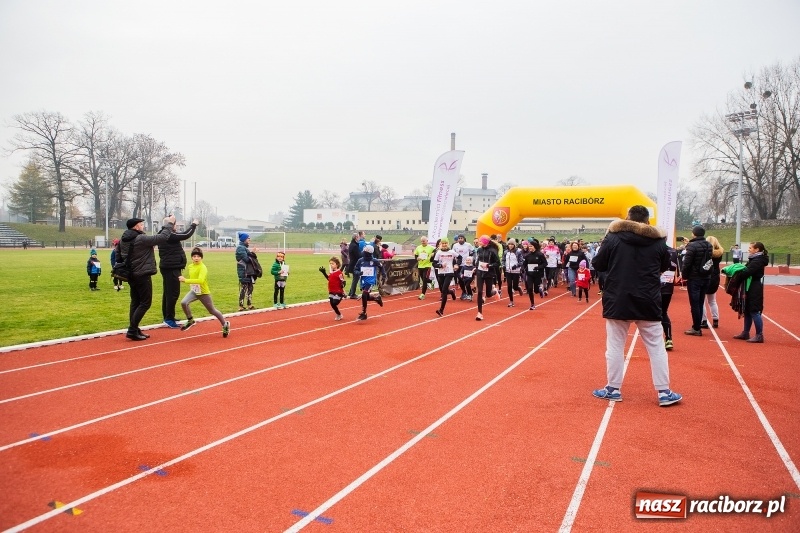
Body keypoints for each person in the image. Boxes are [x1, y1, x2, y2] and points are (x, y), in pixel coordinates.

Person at [591, 205, 682, 407]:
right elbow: (666, 265)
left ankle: (613, 388)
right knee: (656, 347)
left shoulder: (613, 238)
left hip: (618, 297)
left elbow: (598, 263)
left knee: (614, 346)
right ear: (647, 220)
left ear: (628, 218)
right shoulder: (659, 241)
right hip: (647, 298)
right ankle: (664, 392)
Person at [119, 216, 172, 341]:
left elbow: (118, 254)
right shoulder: (140, 238)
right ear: (136, 226)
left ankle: (134, 328)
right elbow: (162, 238)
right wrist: (169, 224)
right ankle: (132, 330)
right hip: (142, 274)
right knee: (145, 302)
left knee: (135, 302)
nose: (143, 226)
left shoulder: (124, 239)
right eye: (141, 225)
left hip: (131, 273)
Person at [178, 247, 230, 337]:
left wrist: (185, 280)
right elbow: (193, 277)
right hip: (194, 291)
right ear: (192, 258)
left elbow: (201, 280)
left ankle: (225, 324)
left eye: (198, 256)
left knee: (212, 310)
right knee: (183, 302)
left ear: (201, 258)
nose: (196, 258)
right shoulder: (190, 266)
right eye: (194, 256)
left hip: (203, 293)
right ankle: (190, 320)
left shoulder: (203, 267)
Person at [157, 216, 198, 329]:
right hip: (171, 268)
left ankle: (168, 316)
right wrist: (194, 224)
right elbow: (186, 235)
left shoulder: (165, 234)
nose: (176, 227)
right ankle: (169, 318)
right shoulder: (169, 235)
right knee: (172, 294)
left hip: (169, 267)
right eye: (175, 224)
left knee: (168, 293)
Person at [732, 242, 769, 343]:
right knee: (747, 310)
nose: (749, 249)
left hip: (754, 287)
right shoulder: (754, 259)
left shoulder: (758, 260)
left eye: (750, 248)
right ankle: (745, 332)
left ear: (757, 250)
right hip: (750, 286)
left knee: (754, 310)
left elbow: (748, 272)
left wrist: (737, 275)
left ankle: (759, 335)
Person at [681, 225, 713, 336]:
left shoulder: (692, 246)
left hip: (694, 278)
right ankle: (698, 325)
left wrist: (684, 275)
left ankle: (696, 327)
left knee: (694, 304)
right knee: (700, 302)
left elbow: (687, 263)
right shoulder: (709, 245)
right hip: (705, 276)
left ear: (694, 234)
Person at [353, 244, 386, 321]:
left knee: (364, 294)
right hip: (363, 281)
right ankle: (377, 298)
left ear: (368, 253)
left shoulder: (374, 261)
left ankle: (364, 313)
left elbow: (381, 267)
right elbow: (355, 270)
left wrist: (384, 275)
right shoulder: (360, 260)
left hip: (371, 281)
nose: (363, 253)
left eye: (364, 251)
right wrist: (358, 273)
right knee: (366, 297)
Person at [660, 240, 681, 351]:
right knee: (663, 312)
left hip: (654, 287)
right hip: (668, 287)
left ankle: (657, 339)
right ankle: (668, 338)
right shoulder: (673, 251)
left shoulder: (654, 250)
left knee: (651, 313)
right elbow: (676, 267)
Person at [700, 235, 724, 329]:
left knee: (701, 301)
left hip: (706, 276)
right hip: (715, 276)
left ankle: (704, 320)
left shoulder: (706, 253)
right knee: (712, 300)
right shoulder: (719, 253)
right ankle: (715, 319)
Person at [474, 235, 500, 321]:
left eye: (480, 241)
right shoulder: (479, 250)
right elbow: (478, 260)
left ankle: (494, 291)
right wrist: (476, 267)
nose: (479, 242)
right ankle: (479, 313)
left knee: (488, 294)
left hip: (489, 273)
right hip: (480, 272)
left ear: (485, 242)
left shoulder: (492, 251)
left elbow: (497, 263)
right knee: (480, 292)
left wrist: (489, 265)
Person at [432, 237, 458, 317]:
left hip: (449, 273)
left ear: (448, 244)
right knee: (444, 290)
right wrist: (440, 265)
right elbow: (434, 263)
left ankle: (441, 310)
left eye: (445, 243)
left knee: (443, 291)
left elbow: (459, 257)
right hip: (441, 273)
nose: (444, 245)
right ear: (440, 244)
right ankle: (451, 292)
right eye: (443, 243)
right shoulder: (438, 253)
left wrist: (457, 264)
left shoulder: (452, 252)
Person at [236, 233, 260, 311]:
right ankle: (241, 305)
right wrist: (252, 253)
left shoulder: (244, 248)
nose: (249, 239)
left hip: (248, 271)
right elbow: (247, 259)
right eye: (248, 238)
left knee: (250, 287)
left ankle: (249, 304)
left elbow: (249, 258)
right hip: (244, 271)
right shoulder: (240, 248)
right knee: (244, 287)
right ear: (244, 239)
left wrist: (252, 253)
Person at [521, 238, 546, 310]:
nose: (530, 247)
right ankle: (532, 304)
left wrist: (538, 267)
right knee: (529, 289)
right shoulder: (527, 255)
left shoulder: (540, 254)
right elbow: (524, 264)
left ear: (535, 246)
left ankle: (540, 289)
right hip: (529, 274)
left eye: (531, 246)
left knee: (536, 291)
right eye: (529, 246)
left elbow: (545, 263)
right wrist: (522, 269)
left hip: (537, 274)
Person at [319, 256, 346, 320]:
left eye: (333, 263)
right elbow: (329, 279)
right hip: (331, 290)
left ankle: (342, 295)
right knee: (332, 304)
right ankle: (339, 314)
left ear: (337, 264)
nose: (331, 265)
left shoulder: (339, 273)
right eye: (330, 263)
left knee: (334, 303)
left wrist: (343, 284)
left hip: (338, 291)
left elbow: (343, 281)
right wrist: (324, 272)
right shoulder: (331, 273)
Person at [503, 238, 523, 307]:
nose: (510, 246)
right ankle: (511, 301)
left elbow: (521, 261)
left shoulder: (518, 252)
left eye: (512, 244)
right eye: (509, 244)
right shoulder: (506, 252)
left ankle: (518, 288)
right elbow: (503, 260)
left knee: (514, 287)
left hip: (516, 271)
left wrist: (516, 266)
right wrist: (503, 265)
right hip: (508, 271)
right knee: (509, 286)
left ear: (514, 245)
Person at [414, 236, 435, 300]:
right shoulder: (418, 248)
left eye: (424, 241)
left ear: (427, 241)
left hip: (427, 265)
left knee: (425, 280)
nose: (423, 242)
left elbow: (436, 251)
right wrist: (417, 258)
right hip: (420, 265)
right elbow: (416, 256)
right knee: (423, 279)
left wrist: (433, 254)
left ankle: (422, 294)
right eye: (422, 241)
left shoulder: (431, 248)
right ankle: (431, 281)